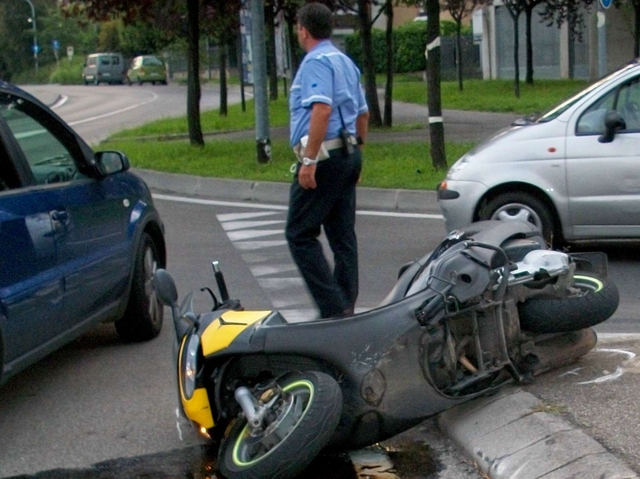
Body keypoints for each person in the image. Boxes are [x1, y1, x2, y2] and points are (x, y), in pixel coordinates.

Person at [285, 2, 369, 319]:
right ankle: (346, 306)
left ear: (303, 30)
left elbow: (321, 110)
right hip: (347, 152)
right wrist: (358, 152)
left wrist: (309, 161)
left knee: (299, 233)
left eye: (297, 28)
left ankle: (333, 309)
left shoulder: (315, 63)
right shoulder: (345, 62)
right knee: (341, 235)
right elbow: (363, 112)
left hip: (325, 155)